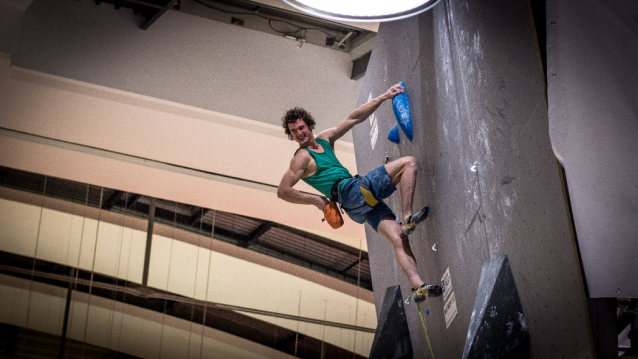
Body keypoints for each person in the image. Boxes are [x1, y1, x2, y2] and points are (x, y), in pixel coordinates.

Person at [277, 83, 442, 303]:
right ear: (291, 134)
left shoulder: (325, 139)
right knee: (409, 163)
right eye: (294, 131)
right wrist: (317, 201)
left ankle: (418, 286)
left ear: (309, 125)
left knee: (399, 238)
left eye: (301, 127)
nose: (299, 133)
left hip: (355, 208)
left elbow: (354, 118)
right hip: (352, 192)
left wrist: (384, 97)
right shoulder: (301, 157)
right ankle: (407, 216)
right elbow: (282, 191)